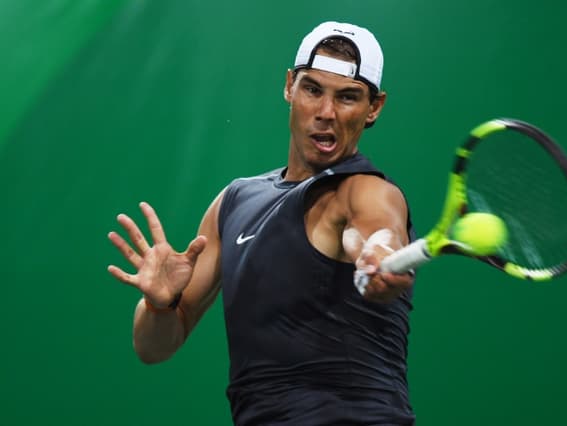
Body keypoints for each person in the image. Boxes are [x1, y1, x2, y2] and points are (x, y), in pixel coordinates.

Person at [108, 21, 416, 425]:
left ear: (373, 108)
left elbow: (377, 230)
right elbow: (153, 348)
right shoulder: (235, 200)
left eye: (347, 97)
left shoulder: (365, 191)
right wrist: (159, 304)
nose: (326, 113)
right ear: (289, 86)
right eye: (312, 89)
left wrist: (378, 252)